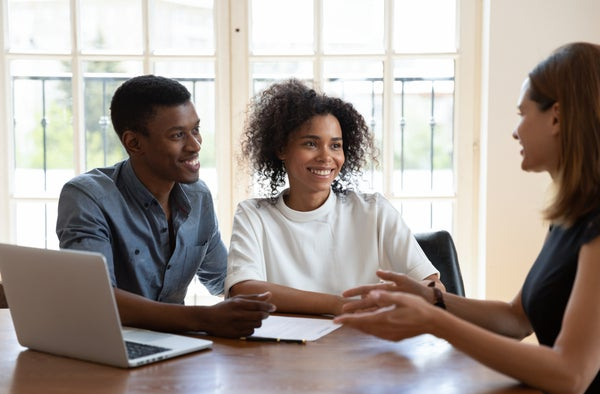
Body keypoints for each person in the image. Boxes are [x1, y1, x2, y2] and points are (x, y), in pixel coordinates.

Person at [334, 42, 600, 394]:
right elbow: (516, 319)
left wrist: (434, 322)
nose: (516, 130)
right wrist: (431, 300)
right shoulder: (572, 217)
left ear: (557, 117)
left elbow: (571, 376)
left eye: (522, 113)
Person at [56, 75, 275, 338]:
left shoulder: (198, 196)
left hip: (177, 347)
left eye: (195, 130)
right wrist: (203, 318)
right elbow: (97, 299)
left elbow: (224, 278)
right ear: (134, 143)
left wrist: (317, 299)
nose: (195, 145)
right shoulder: (87, 196)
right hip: (109, 345)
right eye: (178, 135)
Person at [225, 78, 441, 316]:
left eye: (335, 146)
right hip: (282, 349)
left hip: (359, 343)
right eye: (311, 144)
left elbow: (433, 286)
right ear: (281, 149)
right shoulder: (253, 215)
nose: (326, 157)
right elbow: (244, 289)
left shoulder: (374, 211)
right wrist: (342, 304)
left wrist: (408, 296)